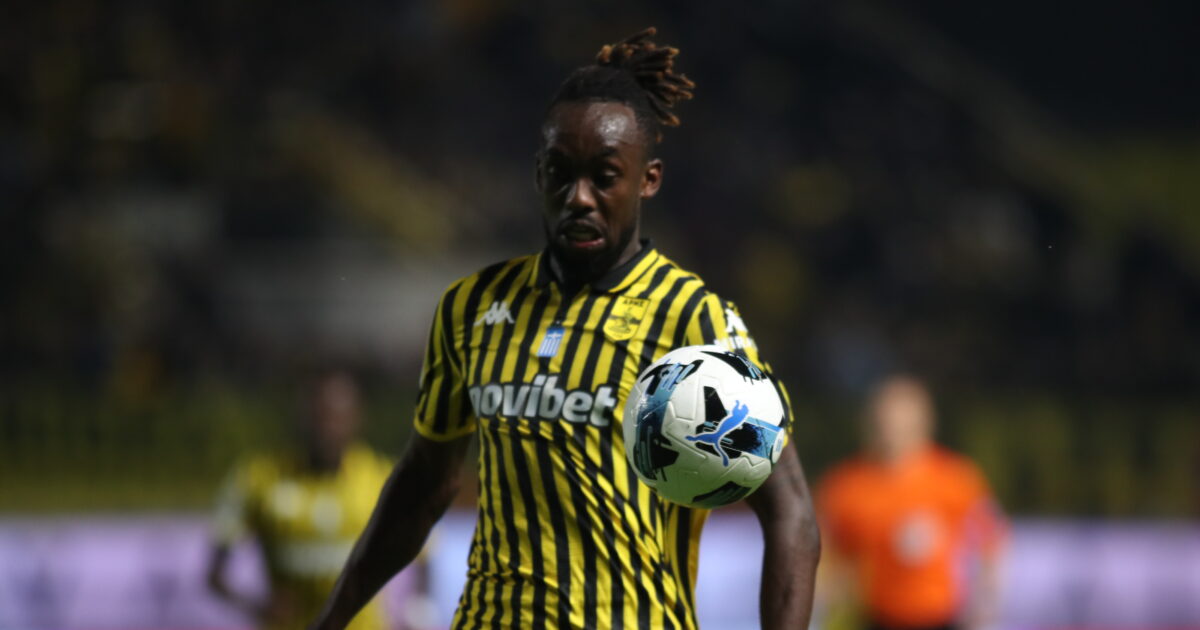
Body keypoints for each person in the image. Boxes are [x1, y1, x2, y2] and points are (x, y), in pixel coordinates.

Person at [310, 28, 821, 630]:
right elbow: (424, 485)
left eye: (604, 176)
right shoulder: (473, 307)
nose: (578, 197)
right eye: (560, 172)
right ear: (538, 173)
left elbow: (790, 512)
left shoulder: (692, 317)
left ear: (648, 179)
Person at [207, 371, 425, 630]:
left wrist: (417, 611)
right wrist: (257, 605)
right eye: (320, 418)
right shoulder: (258, 478)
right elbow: (215, 575)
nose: (329, 429)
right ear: (303, 419)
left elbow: (425, 555)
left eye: (338, 418)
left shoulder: (381, 479)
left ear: (357, 420)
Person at [816, 375, 1005, 630]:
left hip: (943, 617)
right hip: (876, 617)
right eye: (885, 421)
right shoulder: (846, 486)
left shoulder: (955, 477)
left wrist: (984, 603)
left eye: (902, 422)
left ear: (924, 423)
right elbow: (829, 556)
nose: (892, 430)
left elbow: (992, 540)